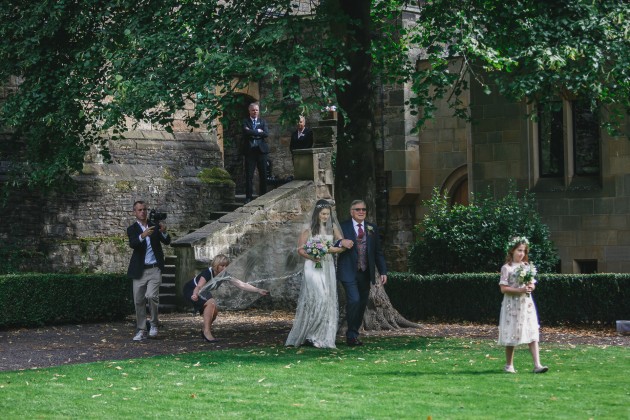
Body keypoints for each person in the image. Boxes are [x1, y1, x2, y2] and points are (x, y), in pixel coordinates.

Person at [286, 200, 346, 348]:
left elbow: (342, 244)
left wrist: (330, 249)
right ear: (317, 214)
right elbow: (300, 249)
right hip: (312, 266)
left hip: (327, 265)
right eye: (323, 214)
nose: (325, 216)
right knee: (316, 296)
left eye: (327, 214)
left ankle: (320, 335)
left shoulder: (332, 227)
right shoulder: (308, 228)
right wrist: (313, 256)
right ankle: (308, 333)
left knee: (327, 298)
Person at [335, 200, 387, 346]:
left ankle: (352, 335)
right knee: (354, 300)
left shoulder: (372, 228)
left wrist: (383, 271)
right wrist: (341, 242)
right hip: (348, 271)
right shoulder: (342, 226)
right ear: (351, 212)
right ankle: (350, 333)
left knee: (362, 303)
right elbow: (332, 242)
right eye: (357, 209)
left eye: (364, 209)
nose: (361, 211)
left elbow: (377, 252)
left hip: (365, 272)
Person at [184, 254, 269, 342]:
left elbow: (241, 284)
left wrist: (258, 290)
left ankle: (204, 329)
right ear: (215, 265)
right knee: (211, 302)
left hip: (204, 292)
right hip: (192, 290)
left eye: (226, 266)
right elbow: (198, 286)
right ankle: (207, 332)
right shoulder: (207, 273)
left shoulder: (225, 274)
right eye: (222, 266)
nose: (224, 268)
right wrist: (195, 294)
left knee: (214, 312)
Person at [498, 236, 549, 374]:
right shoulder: (506, 268)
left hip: (526, 304)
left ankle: (537, 365)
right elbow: (503, 288)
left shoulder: (526, 267)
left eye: (523, 251)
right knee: (511, 332)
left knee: (532, 330)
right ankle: (509, 365)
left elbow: (532, 283)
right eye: (519, 250)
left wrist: (530, 287)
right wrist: (519, 290)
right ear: (512, 251)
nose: (521, 254)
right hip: (512, 305)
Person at [126, 200, 171, 341]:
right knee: (138, 300)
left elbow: (167, 241)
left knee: (151, 296)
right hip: (139, 270)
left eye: (144, 209)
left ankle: (154, 324)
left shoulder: (154, 226)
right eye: (139, 210)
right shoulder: (132, 229)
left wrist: (163, 232)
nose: (143, 212)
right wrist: (143, 235)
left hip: (154, 269)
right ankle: (141, 330)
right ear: (135, 212)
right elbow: (133, 244)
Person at [241, 102, 270, 203]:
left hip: (261, 151)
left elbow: (266, 134)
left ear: (258, 111)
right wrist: (258, 132)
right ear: (249, 111)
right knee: (249, 175)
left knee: (263, 174)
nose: (255, 112)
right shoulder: (245, 121)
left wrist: (252, 132)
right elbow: (245, 132)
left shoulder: (263, 121)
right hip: (250, 151)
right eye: (253, 110)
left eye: (256, 110)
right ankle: (248, 197)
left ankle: (264, 196)